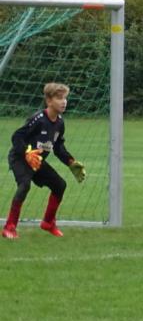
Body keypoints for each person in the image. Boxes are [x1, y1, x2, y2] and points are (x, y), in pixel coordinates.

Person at [3, 83, 86, 239]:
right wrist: (27, 152)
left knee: (60, 185)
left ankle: (48, 223)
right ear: (49, 101)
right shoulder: (38, 119)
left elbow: (58, 147)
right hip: (19, 158)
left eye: (65, 98)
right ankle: (10, 227)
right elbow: (17, 136)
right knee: (24, 185)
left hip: (37, 161)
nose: (64, 102)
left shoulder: (60, 123)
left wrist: (70, 162)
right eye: (59, 98)